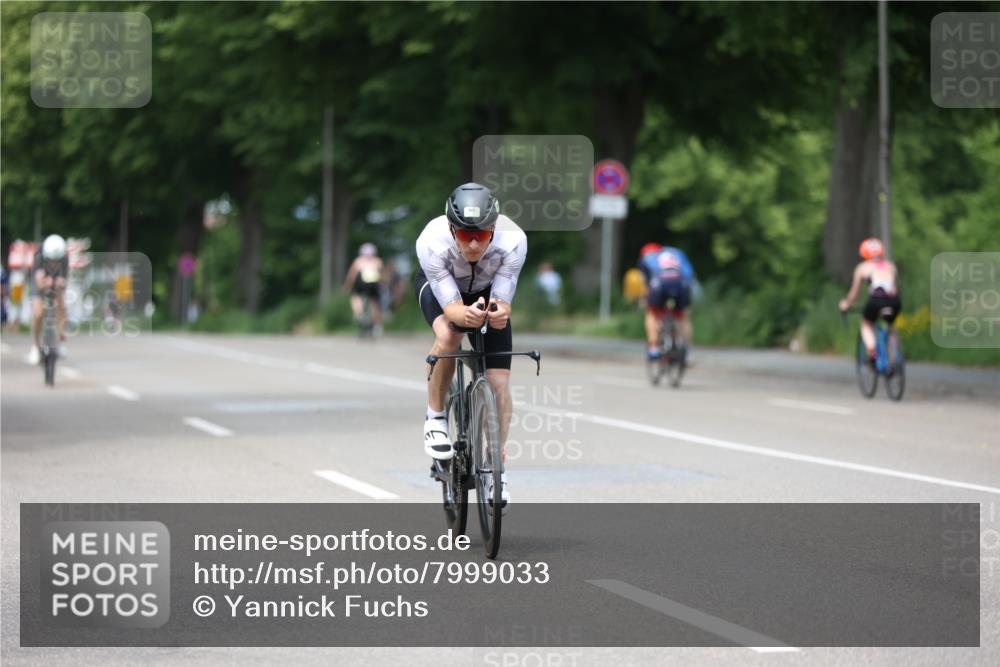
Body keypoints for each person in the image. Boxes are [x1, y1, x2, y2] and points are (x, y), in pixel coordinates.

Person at [414, 182, 526, 514]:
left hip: (487, 288)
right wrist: (466, 315)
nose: (474, 243)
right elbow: (452, 310)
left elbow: (502, 300)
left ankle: (496, 466)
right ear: (451, 229)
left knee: (499, 382)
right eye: (464, 236)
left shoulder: (514, 240)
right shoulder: (431, 242)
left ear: (494, 228)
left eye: (482, 234)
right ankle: (435, 417)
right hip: (441, 290)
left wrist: (500, 313)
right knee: (449, 337)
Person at [838, 238, 901, 360]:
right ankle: (894, 356)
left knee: (866, 324)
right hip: (894, 301)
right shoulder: (890, 266)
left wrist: (846, 304)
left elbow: (854, 293)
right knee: (890, 324)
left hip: (876, 300)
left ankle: (872, 350)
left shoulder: (863, 268)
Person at [638, 242, 696, 360]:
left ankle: (653, 348)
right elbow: (689, 274)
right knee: (682, 317)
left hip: (660, 284)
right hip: (681, 284)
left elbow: (646, 281)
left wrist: (645, 298)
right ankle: (687, 351)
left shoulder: (648, 257)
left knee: (652, 313)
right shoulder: (678, 253)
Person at [28, 234, 69, 364]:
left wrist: (59, 284)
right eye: (51, 260)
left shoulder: (65, 259)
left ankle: (62, 341)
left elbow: (64, 279)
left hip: (56, 282)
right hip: (40, 283)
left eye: (57, 260)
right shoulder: (38, 258)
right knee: (38, 313)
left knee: (61, 305)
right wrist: (44, 283)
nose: (54, 263)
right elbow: (37, 281)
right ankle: (35, 346)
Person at [342, 242, 384, 335]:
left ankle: (359, 313)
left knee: (355, 297)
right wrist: (381, 286)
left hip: (362, 284)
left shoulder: (359, 261)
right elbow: (381, 276)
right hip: (374, 285)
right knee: (374, 304)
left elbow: (352, 275)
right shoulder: (378, 261)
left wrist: (347, 286)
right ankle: (377, 326)